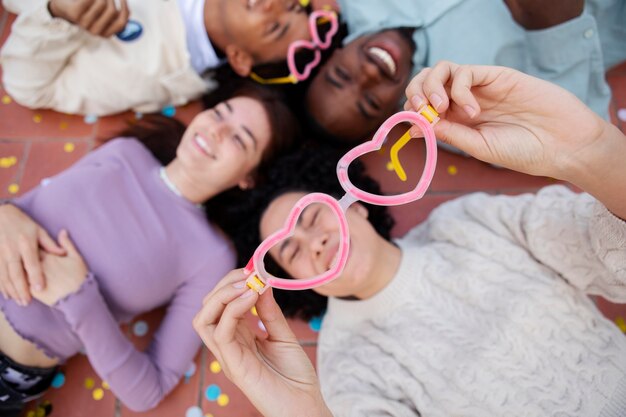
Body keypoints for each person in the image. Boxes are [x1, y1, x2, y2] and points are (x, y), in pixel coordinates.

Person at [194, 62, 626, 417]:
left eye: (313, 216)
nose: (316, 242)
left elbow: (610, 250)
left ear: (356, 204)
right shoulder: (347, 372)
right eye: (288, 251)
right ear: (294, 283)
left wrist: (593, 150)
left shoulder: (470, 222)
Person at [0, 80, 298, 416]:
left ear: (249, 177)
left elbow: (150, 390)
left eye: (239, 139)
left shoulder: (211, 256)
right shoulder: (124, 151)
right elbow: (24, 208)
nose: (218, 130)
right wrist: (6, 212)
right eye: (219, 113)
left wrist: (80, 298)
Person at [304, 0, 626, 143]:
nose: (369, 75)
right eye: (370, 102)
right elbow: (571, 127)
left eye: (341, 76)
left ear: (335, 51)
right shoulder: (455, 109)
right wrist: (548, 17)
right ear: (390, 117)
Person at [0, 0, 312, 115]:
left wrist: (56, 12)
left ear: (240, 59)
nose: (272, 3)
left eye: (274, 28)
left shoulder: (152, 73)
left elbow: (30, 87)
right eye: (294, 4)